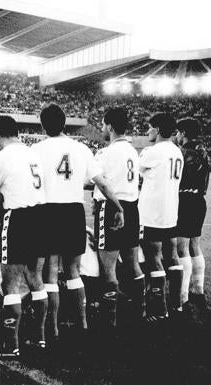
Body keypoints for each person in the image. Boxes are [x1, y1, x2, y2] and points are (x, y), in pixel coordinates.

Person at [31, 104, 124, 344]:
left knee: (51, 273)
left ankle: (53, 328)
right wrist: (118, 205)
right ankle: (82, 322)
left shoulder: (37, 149)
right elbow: (101, 183)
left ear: (43, 125)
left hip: (48, 211)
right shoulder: (81, 148)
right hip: (73, 210)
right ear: (64, 123)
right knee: (74, 271)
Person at [0, 115, 47, 357]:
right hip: (41, 215)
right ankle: (39, 337)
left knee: (11, 283)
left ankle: (10, 343)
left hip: (17, 217)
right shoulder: (32, 152)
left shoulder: (2, 156)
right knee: (36, 280)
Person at [93, 107, 145, 331]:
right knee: (132, 263)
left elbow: (96, 181)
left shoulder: (106, 153)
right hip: (132, 208)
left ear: (110, 127)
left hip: (112, 208)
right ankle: (140, 310)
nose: (103, 129)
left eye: (104, 125)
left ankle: (109, 319)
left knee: (109, 267)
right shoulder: (133, 151)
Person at [138, 112, 185, 322]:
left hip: (153, 213)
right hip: (171, 212)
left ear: (157, 129)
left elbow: (138, 172)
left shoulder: (154, 151)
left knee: (154, 258)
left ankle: (159, 309)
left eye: (149, 127)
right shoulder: (177, 151)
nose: (147, 131)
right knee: (172, 255)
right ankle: (177, 304)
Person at [174, 118, 210, 307]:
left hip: (185, 201)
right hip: (199, 201)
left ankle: (182, 296)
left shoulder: (183, 153)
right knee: (195, 245)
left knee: (182, 247)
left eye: (179, 132)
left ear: (184, 133)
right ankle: (198, 288)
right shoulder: (204, 151)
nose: (177, 136)